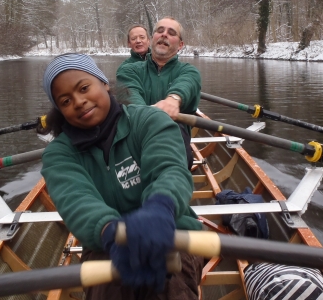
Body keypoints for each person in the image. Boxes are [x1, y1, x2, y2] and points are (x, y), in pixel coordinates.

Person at [40, 53, 203, 299]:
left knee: (167, 286)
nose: (79, 101)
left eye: (84, 88)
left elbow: (169, 169)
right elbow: (76, 200)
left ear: (104, 83)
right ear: (61, 111)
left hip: (173, 231)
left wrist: (160, 207)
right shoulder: (58, 155)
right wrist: (110, 230)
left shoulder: (149, 121)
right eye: (65, 101)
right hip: (105, 244)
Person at [116, 17, 201, 168]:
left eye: (171, 32)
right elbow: (132, 100)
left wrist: (173, 100)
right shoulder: (128, 70)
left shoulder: (189, 71)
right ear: (152, 38)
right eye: (160, 31)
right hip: (137, 143)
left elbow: (186, 83)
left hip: (175, 146)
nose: (164, 35)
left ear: (180, 45)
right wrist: (153, 116)